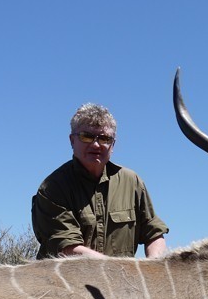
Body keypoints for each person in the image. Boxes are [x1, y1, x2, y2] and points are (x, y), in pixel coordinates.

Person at [32, 103, 168, 260]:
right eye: (86, 136)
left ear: (113, 145)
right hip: (66, 282)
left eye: (104, 138)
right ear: (72, 141)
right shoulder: (53, 187)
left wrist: (154, 266)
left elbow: (154, 233)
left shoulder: (132, 182)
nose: (96, 144)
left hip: (123, 281)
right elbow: (67, 248)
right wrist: (124, 272)